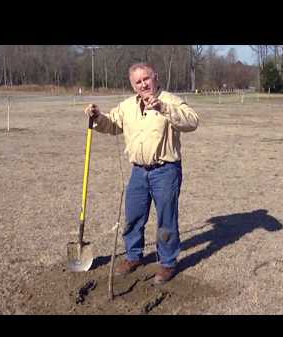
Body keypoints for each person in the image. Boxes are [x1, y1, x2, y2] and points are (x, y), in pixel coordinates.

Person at [84, 63, 199, 284]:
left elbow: (192, 121)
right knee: (133, 217)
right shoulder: (127, 106)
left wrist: (163, 108)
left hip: (165, 171)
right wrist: (97, 117)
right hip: (138, 172)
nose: (143, 84)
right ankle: (133, 257)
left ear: (155, 77)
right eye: (138, 81)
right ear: (133, 85)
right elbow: (111, 124)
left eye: (146, 78)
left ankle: (167, 263)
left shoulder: (171, 100)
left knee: (166, 220)